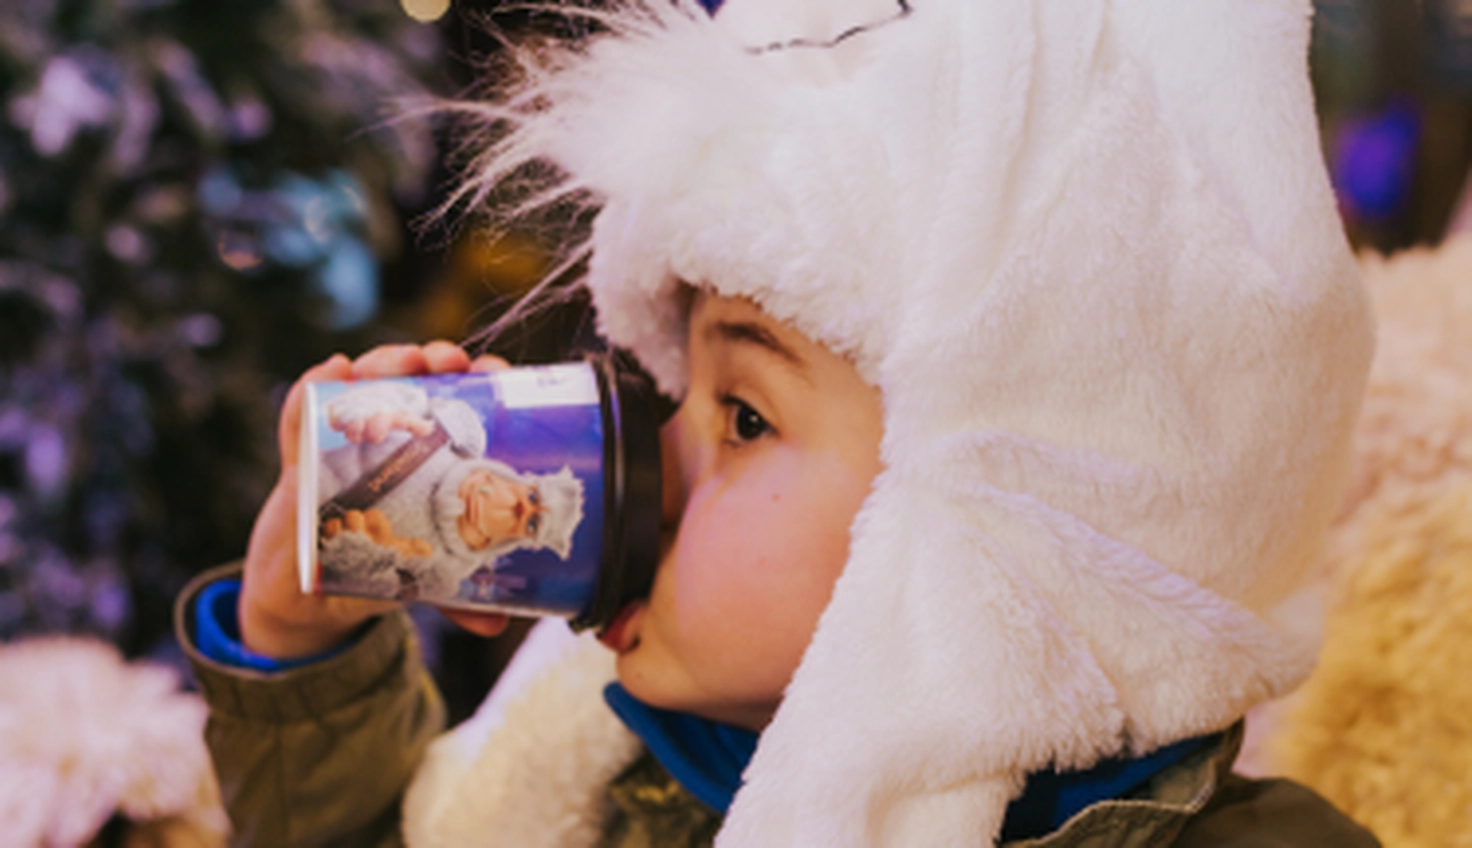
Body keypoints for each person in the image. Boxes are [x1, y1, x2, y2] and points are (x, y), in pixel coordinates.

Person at [175, 0, 1384, 845]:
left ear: (1014, 530)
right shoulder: (613, 783)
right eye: (682, 389)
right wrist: (300, 644)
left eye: (741, 414)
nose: (652, 452)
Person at [312, 380, 585, 601]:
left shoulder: (446, 573)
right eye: (533, 497)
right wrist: (373, 411)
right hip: (307, 461)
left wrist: (371, 555)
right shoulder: (459, 434)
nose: (522, 508)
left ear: (525, 540)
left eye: (533, 522)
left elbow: (379, 588)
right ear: (526, 482)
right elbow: (407, 398)